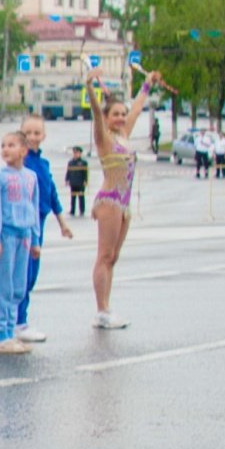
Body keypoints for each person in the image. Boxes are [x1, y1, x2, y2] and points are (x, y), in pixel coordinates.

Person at [85, 65, 158, 329]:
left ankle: (107, 307)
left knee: (113, 257)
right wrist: (90, 89)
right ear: (106, 117)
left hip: (124, 204)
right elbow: (95, 112)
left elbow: (138, 107)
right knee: (104, 255)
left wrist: (147, 83)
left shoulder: (124, 134)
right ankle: (101, 310)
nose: (120, 117)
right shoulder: (104, 138)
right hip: (109, 201)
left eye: (122, 114)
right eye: (115, 114)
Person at [14, 115, 75, 344]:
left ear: (44, 136)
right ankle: (18, 322)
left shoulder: (43, 164)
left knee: (31, 275)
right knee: (23, 274)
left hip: (39, 224)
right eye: (27, 133)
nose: (32, 137)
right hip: (23, 226)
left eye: (36, 133)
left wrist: (63, 223)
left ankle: (20, 320)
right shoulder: (20, 163)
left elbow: (51, 195)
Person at [0, 133, 38, 355]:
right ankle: (1, 335)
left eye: (11, 145)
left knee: (18, 286)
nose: (5, 149)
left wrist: (35, 239)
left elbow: (33, 208)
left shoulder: (31, 177)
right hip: (5, 237)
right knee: (3, 287)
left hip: (24, 237)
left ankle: (11, 331)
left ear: (23, 151)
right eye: (3, 145)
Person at [65, 145, 88, 218]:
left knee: (81, 197)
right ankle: (72, 211)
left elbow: (86, 173)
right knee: (73, 197)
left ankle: (82, 210)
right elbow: (68, 171)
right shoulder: (71, 162)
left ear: (80, 153)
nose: (75, 154)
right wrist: (67, 179)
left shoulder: (83, 162)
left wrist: (86, 181)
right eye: (74, 153)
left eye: (77, 153)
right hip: (73, 182)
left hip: (80, 182)